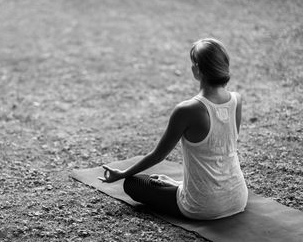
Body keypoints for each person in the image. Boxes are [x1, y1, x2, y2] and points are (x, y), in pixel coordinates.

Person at [98, 38, 248, 220]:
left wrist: (122, 173)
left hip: (203, 207)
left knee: (133, 183)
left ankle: (180, 191)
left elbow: (158, 155)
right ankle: (180, 187)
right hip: (238, 198)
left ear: (196, 70)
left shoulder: (187, 109)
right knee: (159, 179)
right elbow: (226, 144)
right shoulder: (236, 99)